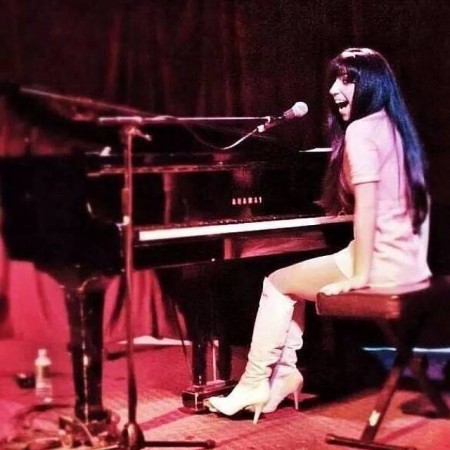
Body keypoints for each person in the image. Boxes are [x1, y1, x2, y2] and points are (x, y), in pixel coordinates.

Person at [207, 47, 431, 423]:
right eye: (334, 79)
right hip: (406, 261)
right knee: (292, 282)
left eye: (347, 80)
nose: (333, 90)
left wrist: (361, 275)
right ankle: (284, 375)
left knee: (276, 284)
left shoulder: (361, 130)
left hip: (379, 263)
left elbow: (368, 209)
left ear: (373, 84)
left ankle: (255, 383)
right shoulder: (394, 127)